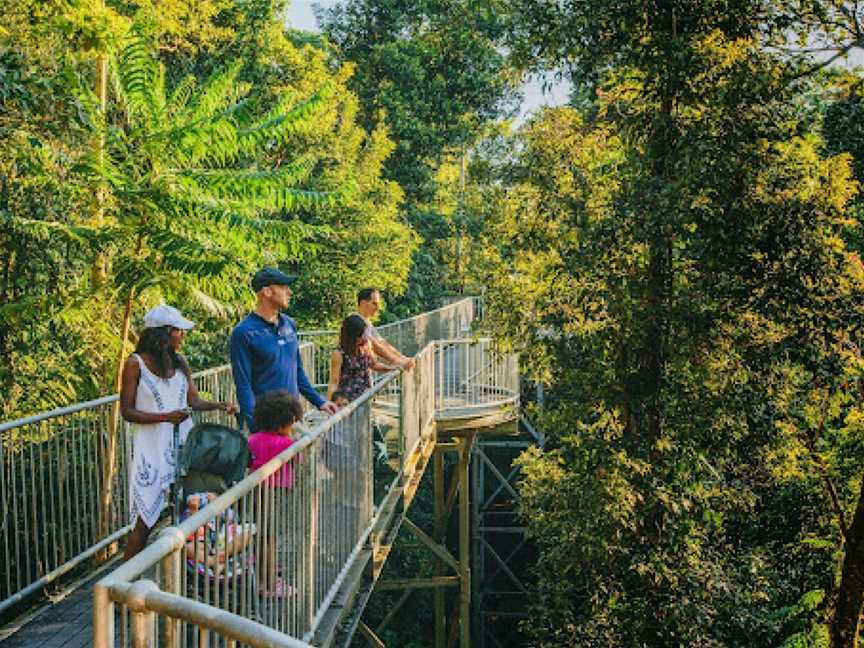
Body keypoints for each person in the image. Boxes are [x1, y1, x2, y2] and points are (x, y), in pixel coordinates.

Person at [120, 304, 238, 560]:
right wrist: (164, 417)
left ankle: (194, 570)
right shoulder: (135, 364)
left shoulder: (179, 361)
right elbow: (126, 411)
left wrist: (219, 405)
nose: (183, 335)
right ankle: (122, 586)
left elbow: (192, 401)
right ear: (162, 333)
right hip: (151, 450)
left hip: (183, 444)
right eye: (178, 330)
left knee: (189, 508)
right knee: (144, 522)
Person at [231, 268, 338, 432]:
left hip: (293, 418)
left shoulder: (289, 324)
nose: (290, 292)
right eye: (283, 287)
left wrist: (320, 401)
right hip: (267, 423)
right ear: (267, 291)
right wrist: (256, 428)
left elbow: (297, 370)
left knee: (299, 458)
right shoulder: (244, 332)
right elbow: (243, 385)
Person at [248, 390, 304, 597]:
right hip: (277, 493)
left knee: (260, 536)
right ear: (285, 422)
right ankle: (271, 585)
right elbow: (298, 463)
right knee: (271, 539)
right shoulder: (287, 445)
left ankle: (263, 580)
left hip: (255, 492)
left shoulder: (252, 439)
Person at [327, 314, 391, 402]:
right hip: (347, 402)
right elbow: (334, 382)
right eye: (360, 335)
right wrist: (329, 405)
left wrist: (390, 368)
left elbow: (373, 364)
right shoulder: (338, 354)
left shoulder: (364, 347)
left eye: (364, 334)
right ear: (351, 336)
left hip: (364, 399)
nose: (363, 337)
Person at [355, 288, 415, 370]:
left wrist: (402, 357)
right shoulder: (355, 322)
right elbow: (373, 344)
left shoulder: (366, 321)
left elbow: (381, 342)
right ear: (363, 303)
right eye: (374, 304)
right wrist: (396, 360)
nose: (377, 308)